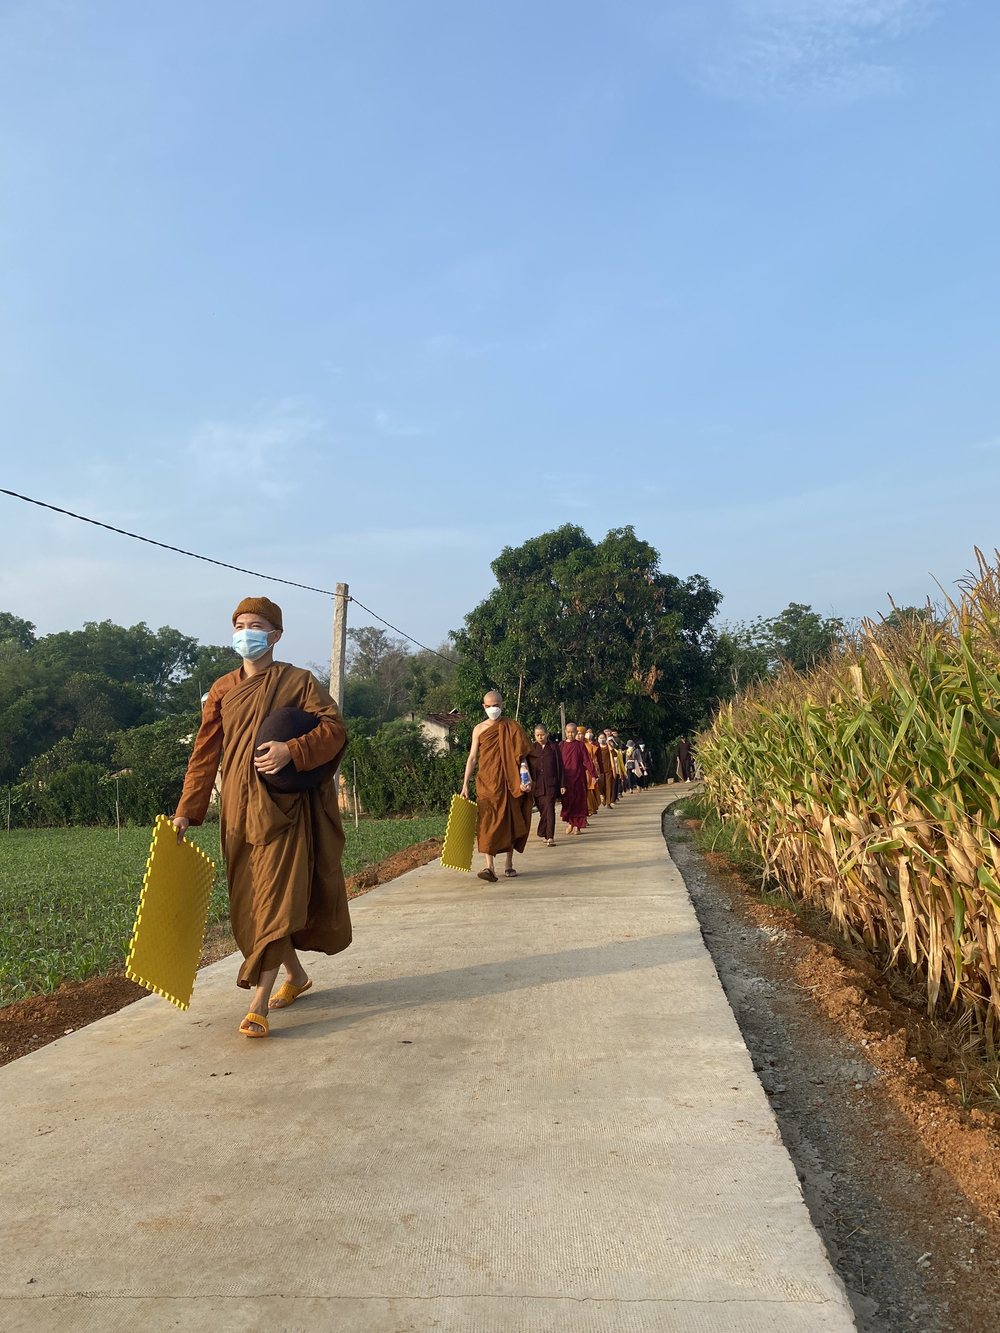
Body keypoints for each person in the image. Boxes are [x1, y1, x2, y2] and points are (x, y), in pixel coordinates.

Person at [172, 597, 351, 1039]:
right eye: (239, 624)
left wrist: (294, 750)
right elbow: (204, 755)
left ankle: (258, 1002)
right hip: (236, 811)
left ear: (275, 634)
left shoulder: (299, 681)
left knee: (275, 897)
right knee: (251, 903)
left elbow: (333, 729)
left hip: (285, 812)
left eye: (255, 625)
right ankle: (295, 976)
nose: (245, 632)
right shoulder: (222, 689)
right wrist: (186, 811)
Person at [461, 691, 535, 881]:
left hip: (510, 782)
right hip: (487, 783)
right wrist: (465, 785)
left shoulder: (513, 727)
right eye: (489, 706)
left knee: (510, 820)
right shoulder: (478, 729)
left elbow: (523, 755)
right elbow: (472, 758)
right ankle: (489, 867)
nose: (493, 709)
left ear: (503, 705)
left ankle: (509, 864)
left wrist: (525, 777)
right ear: (483, 707)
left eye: (496, 705)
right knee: (487, 823)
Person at [558, 722, 598, 835]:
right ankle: (571, 823)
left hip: (579, 778)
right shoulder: (561, 745)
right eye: (568, 732)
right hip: (565, 779)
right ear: (565, 732)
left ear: (576, 733)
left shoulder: (580, 745)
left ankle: (578, 827)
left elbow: (587, 761)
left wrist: (594, 774)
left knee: (579, 802)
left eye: (572, 732)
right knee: (568, 802)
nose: (570, 734)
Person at [531, 723, 565, 846]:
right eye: (537, 735)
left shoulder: (553, 747)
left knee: (549, 810)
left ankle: (550, 836)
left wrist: (562, 784)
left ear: (547, 734)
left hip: (551, 783)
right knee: (542, 811)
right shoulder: (532, 748)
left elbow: (559, 766)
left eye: (542, 735)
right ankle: (544, 833)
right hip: (538, 785)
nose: (540, 737)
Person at [583, 727, 603, 815]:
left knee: (591, 789)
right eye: (586, 732)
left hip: (590, 770)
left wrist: (598, 771)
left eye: (590, 732)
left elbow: (597, 759)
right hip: (578, 771)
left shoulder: (593, 746)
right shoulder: (576, 745)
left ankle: (591, 807)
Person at [598, 733, 617, 807]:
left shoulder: (609, 747)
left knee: (608, 786)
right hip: (600, 770)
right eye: (600, 737)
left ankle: (608, 802)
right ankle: (604, 797)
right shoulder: (597, 748)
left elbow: (615, 755)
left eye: (603, 737)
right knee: (601, 786)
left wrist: (610, 747)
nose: (602, 739)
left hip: (608, 769)